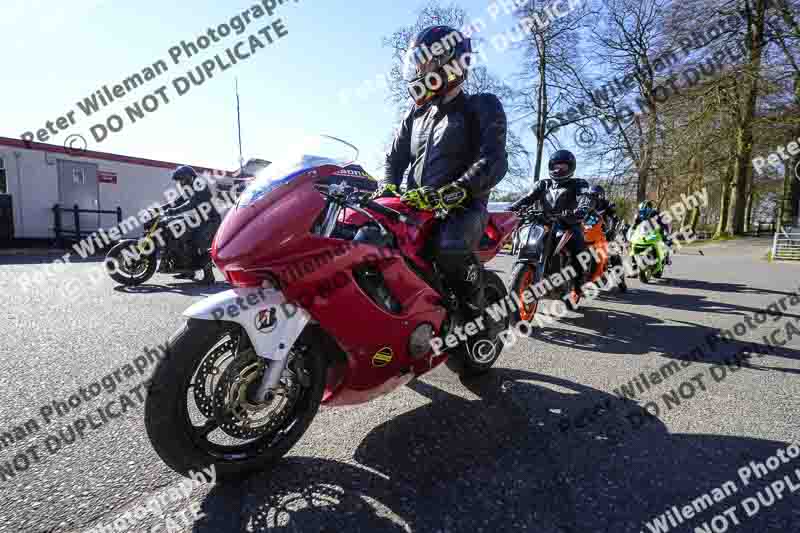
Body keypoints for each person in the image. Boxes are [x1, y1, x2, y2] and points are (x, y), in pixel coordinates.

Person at [376, 25, 508, 318]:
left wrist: (456, 190)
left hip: (462, 206)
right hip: (414, 205)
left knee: (448, 247)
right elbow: (393, 159)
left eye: (428, 62)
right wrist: (388, 185)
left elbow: (493, 160)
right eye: (418, 62)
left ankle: (474, 313)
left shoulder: (482, 105)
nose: (421, 69)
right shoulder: (415, 113)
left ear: (452, 62)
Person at [509, 150, 596, 306]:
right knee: (527, 240)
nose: (558, 170)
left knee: (580, 248)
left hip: (568, 223)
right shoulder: (543, 184)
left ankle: (579, 283)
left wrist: (582, 208)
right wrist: (513, 207)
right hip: (543, 222)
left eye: (563, 167)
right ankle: (529, 274)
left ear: (570, 168)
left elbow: (584, 197)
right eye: (556, 166)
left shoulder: (578, 184)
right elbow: (528, 198)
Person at [161, 165, 221, 280]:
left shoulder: (200, 186)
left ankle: (209, 276)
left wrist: (173, 211)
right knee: (183, 240)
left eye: (182, 179)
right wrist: (161, 209)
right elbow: (178, 201)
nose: (181, 182)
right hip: (199, 220)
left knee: (200, 244)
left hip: (210, 220)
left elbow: (191, 203)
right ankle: (188, 271)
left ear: (189, 177)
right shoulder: (189, 188)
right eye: (179, 180)